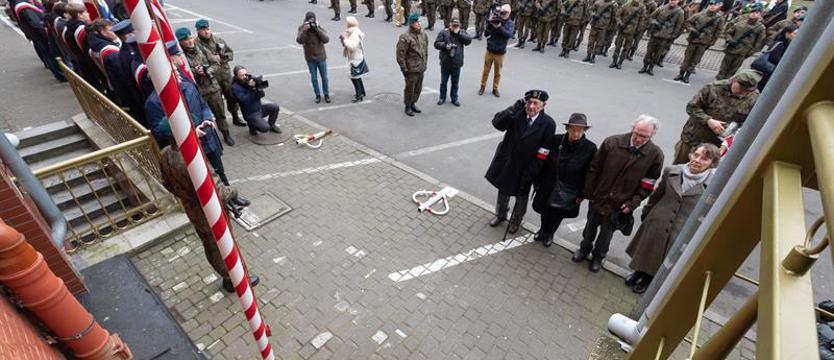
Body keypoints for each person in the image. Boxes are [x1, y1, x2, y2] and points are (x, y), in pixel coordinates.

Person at [159, 142, 256, 294]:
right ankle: (236, 280)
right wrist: (234, 191)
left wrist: (186, 196)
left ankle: (228, 277)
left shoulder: (165, 153)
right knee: (223, 247)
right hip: (211, 214)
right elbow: (218, 194)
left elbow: (166, 183)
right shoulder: (192, 160)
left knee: (210, 246)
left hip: (193, 211)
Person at [625, 143, 720, 293]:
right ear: (691, 155)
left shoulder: (714, 185)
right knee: (647, 249)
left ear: (712, 164)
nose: (698, 160)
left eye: (704, 159)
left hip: (682, 226)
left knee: (664, 255)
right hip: (659, 218)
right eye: (696, 155)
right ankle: (637, 273)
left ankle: (648, 280)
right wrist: (647, 212)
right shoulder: (672, 171)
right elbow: (657, 194)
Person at [574, 115, 664, 273]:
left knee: (606, 235)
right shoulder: (612, 142)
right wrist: (589, 192)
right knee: (589, 227)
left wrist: (632, 203)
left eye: (645, 137)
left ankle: (598, 257)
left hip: (619, 205)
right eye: (637, 134)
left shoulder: (655, 155)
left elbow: (648, 184)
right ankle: (584, 249)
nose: (639, 139)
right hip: (598, 197)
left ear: (653, 135)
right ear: (632, 128)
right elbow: (594, 168)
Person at [145, 44, 232, 187]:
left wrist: (207, 120)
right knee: (206, 180)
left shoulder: (189, 87)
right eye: (173, 72)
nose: (178, 73)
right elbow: (159, 132)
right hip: (188, 151)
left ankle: (230, 195)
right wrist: (190, 134)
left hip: (207, 139)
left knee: (219, 170)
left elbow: (203, 105)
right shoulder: (153, 103)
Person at [486, 90, 556, 234]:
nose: (531, 106)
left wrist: (532, 171)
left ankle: (516, 220)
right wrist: (513, 107)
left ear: (543, 105)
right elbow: (497, 123)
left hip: (527, 167)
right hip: (509, 163)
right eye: (529, 102)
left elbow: (544, 151)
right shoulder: (516, 113)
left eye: (535, 103)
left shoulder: (548, 124)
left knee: (521, 197)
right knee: (503, 193)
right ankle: (500, 214)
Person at [532, 113, 596, 247]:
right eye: (573, 129)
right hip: (548, 183)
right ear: (567, 129)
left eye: (580, 130)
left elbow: (590, 173)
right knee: (545, 209)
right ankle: (543, 229)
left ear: (584, 131)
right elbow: (542, 161)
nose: (576, 133)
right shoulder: (555, 140)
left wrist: (583, 193)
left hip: (570, 188)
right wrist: (537, 180)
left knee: (558, 212)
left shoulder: (590, 148)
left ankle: (550, 233)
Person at [673, 69, 760, 164]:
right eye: (741, 88)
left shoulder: (753, 97)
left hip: (717, 146)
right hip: (693, 139)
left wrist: (728, 142)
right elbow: (692, 107)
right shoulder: (713, 88)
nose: (743, 93)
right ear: (734, 80)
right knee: (678, 170)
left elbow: (749, 123)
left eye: (748, 91)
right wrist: (708, 120)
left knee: (704, 175)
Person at [176, 27, 235, 147]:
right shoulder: (180, 56)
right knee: (202, 119)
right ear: (180, 42)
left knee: (220, 113)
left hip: (213, 89)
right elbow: (180, 73)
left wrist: (208, 70)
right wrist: (195, 71)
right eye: (186, 40)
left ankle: (226, 134)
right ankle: (210, 141)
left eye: (190, 38)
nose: (190, 41)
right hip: (198, 92)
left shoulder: (201, 49)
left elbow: (216, 63)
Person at [196, 19, 245, 129]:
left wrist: (223, 57)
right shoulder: (196, 45)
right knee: (218, 104)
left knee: (232, 98)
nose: (206, 32)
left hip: (225, 75)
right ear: (198, 31)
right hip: (212, 80)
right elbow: (198, 62)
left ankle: (236, 117)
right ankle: (224, 128)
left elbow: (230, 53)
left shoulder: (218, 40)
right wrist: (211, 60)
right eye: (203, 30)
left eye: (207, 29)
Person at [674, 0, 725, 83]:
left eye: (714, 5)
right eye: (711, 4)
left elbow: (718, 32)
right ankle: (681, 74)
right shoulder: (699, 15)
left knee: (695, 60)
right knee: (687, 58)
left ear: (718, 6)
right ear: (708, 5)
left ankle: (687, 75)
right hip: (693, 40)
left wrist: (712, 42)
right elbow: (688, 23)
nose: (712, 6)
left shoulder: (719, 19)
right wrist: (692, 30)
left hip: (704, 42)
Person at [716, 3, 766, 80]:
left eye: (756, 13)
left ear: (759, 14)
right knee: (724, 66)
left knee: (733, 69)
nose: (753, 14)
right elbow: (729, 32)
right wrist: (729, 40)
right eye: (752, 12)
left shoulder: (760, 28)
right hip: (732, 48)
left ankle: (727, 81)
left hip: (743, 51)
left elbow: (759, 43)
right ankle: (719, 80)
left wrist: (750, 52)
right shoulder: (740, 23)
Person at [231, 66, 283, 137]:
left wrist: (258, 86)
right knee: (265, 128)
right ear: (236, 77)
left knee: (275, 107)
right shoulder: (235, 87)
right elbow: (245, 101)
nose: (245, 77)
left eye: (245, 74)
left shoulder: (250, 80)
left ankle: (272, 125)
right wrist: (251, 88)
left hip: (259, 108)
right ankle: (252, 127)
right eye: (242, 75)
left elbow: (262, 95)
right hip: (250, 114)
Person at [638, 0, 684, 75]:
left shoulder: (680, 12)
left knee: (658, 54)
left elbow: (679, 27)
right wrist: (655, 23)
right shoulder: (661, 8)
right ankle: (645, 66)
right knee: (649, 52)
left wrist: (672, 37)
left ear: (678, 1)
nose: (673, 2)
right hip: (655, 34)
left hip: (665, 38)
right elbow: (650, 18)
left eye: (675, 0)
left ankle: (651, 68)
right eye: (671, 0)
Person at [434, 16, 472, 106]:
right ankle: (442, 97)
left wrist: (458, 33)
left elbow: (468, 41)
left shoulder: (461, 32)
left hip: (456, 63)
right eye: (453, 25)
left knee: (455, 83)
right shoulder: (444, 32)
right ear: (449, 24)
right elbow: (436, 44)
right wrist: (444, 45)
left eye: (457, 25)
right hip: (445, 63)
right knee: (443, 82)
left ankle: (454, 98)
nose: (455, 27)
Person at [396, 13, 429, 117]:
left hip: (421, 67)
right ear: (411, 24)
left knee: (418, 88)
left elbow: (425, 50)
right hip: (411, 69)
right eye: (416, 22)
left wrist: (425, 63)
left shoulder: (423, 34)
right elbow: (400, 55)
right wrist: (404, 69)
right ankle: (408, 106)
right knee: (410, 88)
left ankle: (413, 103)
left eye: (419, 21)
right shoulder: (405, 37)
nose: (419, 23)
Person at [480, 4, 513, 97]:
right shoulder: (495, 19)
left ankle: (495, 88)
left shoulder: (509, 23)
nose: (503, 14)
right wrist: (489, 24)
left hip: (500, 52)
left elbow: (508, 34)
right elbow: (486, 34)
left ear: (509, 13)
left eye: (505, 13)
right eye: (502, 12)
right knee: (485, 71)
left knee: (497, 73)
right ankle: (482, 86)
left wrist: (499, 27)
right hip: (490, 50)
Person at [297, 12, 331, 104]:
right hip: (310, 57)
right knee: (314, 77)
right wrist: (305, 31)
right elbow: (299, 41)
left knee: (324, 77)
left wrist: (317, 29)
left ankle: (326, 94)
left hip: (321, 56)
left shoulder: (318, 26)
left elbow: (326, 39)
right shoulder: (302, 28)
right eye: (309, 20)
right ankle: (317, 95)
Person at [752, 24, 796, 91]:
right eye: (794, 33)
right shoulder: (780, 43)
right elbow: (773, 58)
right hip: (767, 70)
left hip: (769, 70)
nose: (796, 35)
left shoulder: (786, 43)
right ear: (787, 33)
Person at [607, 0, 644, 69]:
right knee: (617, 47)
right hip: (622, 30)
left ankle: (620, 62)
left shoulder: (641, 7)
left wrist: (638, 29)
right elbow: (618, 15)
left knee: (626, 49)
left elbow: (642, 19)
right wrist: (620, 23)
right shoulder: (626, 5)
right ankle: (614, 61)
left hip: (631, 32)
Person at [340, 16, 367, 103]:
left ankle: (359, 95)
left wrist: (345, 39)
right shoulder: (354, 31)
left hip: (355, 57)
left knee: (354, 77)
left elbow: (352, 46)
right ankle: (362, 91)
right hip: (357, 56)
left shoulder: (354, 33)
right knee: (357, 75)